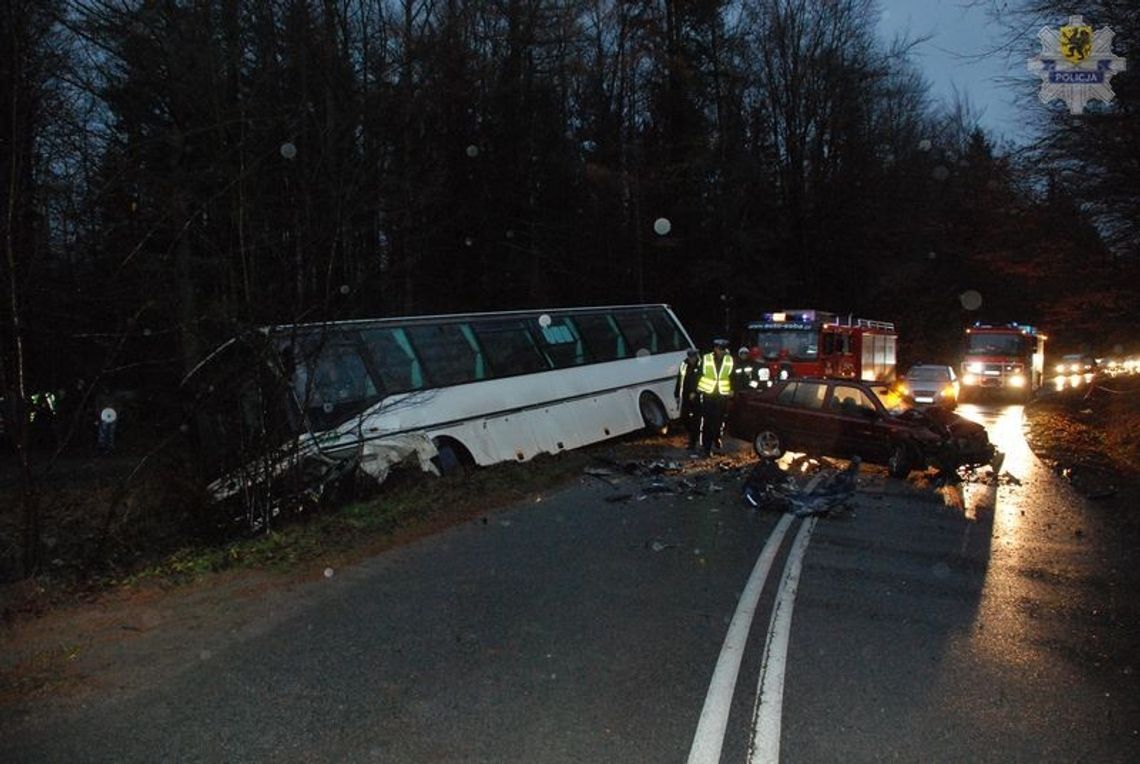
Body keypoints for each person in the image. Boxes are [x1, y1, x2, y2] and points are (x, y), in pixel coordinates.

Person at [695, 338, 734, 458]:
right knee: (707, 422)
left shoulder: (729, 359)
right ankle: (706, 448)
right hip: (708, 394)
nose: (721, 351)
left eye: (723, 349)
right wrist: (697, 388)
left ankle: (716, 438)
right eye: (719, 349)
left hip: (722, 395)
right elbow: (699, 374)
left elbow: (732, 375)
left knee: (718, 421)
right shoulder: (706, 358)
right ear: (715, 348)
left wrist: (732, 389)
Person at [674, 349, 702, 453]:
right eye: (690, 357)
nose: (692, 359)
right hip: (685, 395)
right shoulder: (684, 365)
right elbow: (680, 379)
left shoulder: (701, 366)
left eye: (693, 357)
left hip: (698, 396)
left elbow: (703, 381)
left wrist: (695, 392)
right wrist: (677, 393)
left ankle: (693, 441)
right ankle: (694, 434)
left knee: (696, 419)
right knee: (684, 417)